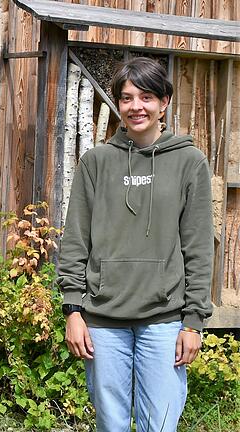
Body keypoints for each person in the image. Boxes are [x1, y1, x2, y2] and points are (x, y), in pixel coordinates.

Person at [57, 57, 213, 431]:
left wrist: (193, 323)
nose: (136, 107)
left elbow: (198, 249)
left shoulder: (189, 162)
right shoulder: (96, 162)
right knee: (110, 423)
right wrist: (73, 311)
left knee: (159, 423)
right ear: (118, 104)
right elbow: (76, 240)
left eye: (146, 97)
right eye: (126, 98)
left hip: (163, 320)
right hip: (102, 320)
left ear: (164, 102)